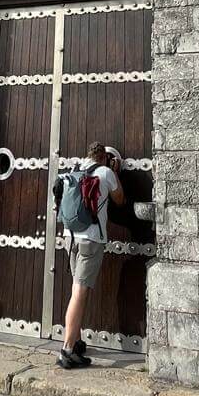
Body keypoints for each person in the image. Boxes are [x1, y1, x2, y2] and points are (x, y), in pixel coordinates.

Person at [57, 142, 124, 369]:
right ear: (104, 157)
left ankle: (75, 341)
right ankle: (66, 350)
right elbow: (120, 199)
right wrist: (114, 172)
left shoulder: (74, 170)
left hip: (70, 237)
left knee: (78, 290)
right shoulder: (105, 172)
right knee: (79, 292)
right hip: (91, 240)